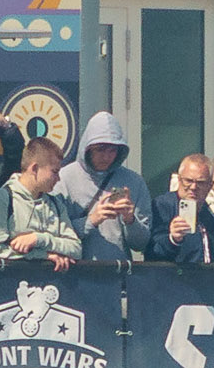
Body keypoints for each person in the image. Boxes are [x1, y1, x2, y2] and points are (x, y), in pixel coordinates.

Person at [57, 111, 153, 261]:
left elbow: (141, 244)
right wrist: (91, 220)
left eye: (112, 150)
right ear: (87, 148)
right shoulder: (63, 178)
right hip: (75, 270)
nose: (106, 157)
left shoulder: (134, 182)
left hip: (117, 270)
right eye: (100, 149)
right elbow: (54, 234)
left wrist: (130, 220)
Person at [0, 136, 80, 270]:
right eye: (54, 172)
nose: (58, 179)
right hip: (9, 282)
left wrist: (40, 239)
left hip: (50, 282)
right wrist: (43, 256)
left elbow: (76, 249)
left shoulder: (56, 204)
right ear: (34, 168)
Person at [147, 152, 214, 263]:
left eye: (200, 183)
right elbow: (152, 252)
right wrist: (172, 239)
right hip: (172, 273)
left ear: (210, 185)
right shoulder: (162, 206)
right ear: (179, 180)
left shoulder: (209, 215)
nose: (193, 187)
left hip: (204, 273)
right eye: (188, 181)